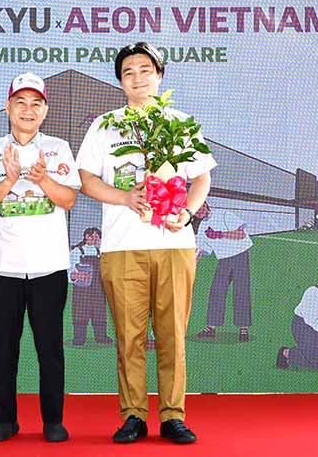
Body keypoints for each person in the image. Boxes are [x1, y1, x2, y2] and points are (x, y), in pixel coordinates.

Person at [77, 42, 214, 445]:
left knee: (172, 332)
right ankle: (133, 414)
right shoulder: (105, 125)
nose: (137, 78)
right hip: (121, 246)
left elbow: (201, 178)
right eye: (128, 72)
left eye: (145, 69)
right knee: (129, 335)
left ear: (160, 75)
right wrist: (125, 198)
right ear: (120, 81)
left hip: (174, 245)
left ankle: (173, 414)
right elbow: (87, 180)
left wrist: (186, 213)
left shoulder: (182, 123)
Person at [0, 72, 80, 443]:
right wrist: (9, 179)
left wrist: (43, 180)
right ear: (8, 107)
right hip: (4, 268)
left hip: (49, 267)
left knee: (49, 347)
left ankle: (53, 420)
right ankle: (6, 420)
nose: (28, 110)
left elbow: (68, 200)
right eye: (21, 102)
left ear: (45, 109)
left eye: (36, 103)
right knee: (4, 348)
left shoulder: (59, 148)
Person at [193, 203, 254, 342]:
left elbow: (241, 234)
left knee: (241, 291)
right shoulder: (202, 227)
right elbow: (200, 251)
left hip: (240, 255)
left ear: (206, 204)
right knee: (217, 291)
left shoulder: (224, 214)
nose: (199, 211)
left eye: (200, 207)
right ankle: (211, 328)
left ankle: (243, 329)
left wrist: (219, 234)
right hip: (224, 259)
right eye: (196, 211)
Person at [68, 227, 112, 346]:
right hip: (82, 290)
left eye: (97, 237)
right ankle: (79, 338)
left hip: (98, 289)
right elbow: (70, 270)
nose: (95, 239)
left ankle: (101, 337)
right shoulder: (77, 251)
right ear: (86, 236)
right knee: (81, 312)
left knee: (99, 312)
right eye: (93, 236)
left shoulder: (99, 252)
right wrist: (78, 275)